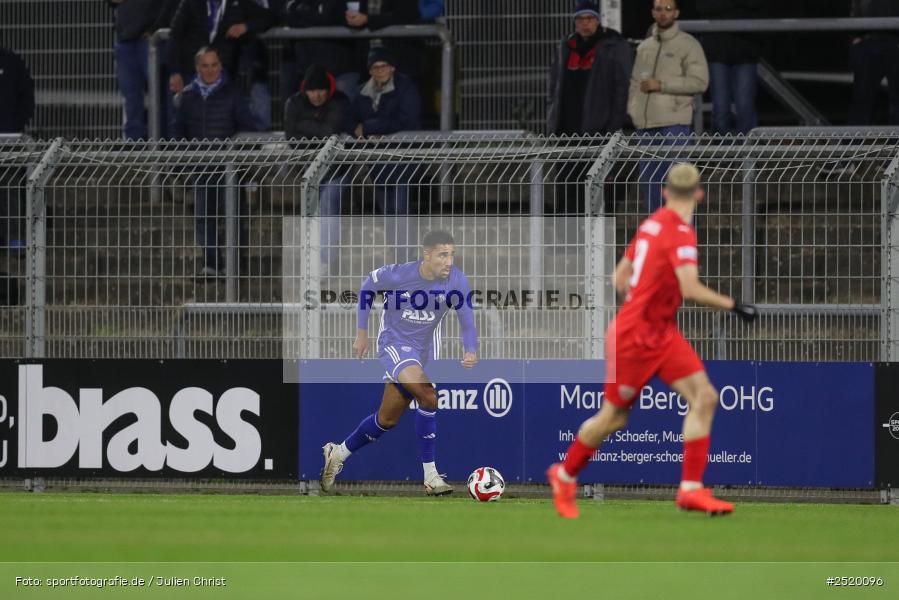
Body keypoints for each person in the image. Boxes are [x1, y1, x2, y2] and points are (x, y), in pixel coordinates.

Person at [546, 163, 758, 519]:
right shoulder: (680, 232)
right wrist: (735, 306)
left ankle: (690, 490)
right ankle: (565, 475)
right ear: (699, 194)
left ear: (664, 192)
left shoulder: (651, 223)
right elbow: (689, 288)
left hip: (660, 331)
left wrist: (647, 298)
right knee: (614, 418)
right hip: (635, 336)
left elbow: (619, 278)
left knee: (704, 397)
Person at [320, 230, 478, 496]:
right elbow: (368, 286)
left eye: (451, 255)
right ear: (427, 255)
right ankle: (431, 476)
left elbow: (467, 319)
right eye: (442, 255)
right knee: (428, 396)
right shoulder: (399, 274)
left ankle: (338, 453)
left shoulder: (456, 280)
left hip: (425, 352)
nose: (449, 261)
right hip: (394, 343)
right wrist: (362, 332)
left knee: (387, 419)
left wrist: (470, 349)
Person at [171, 47, 259, 277]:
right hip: (201, 167)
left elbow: (248, 129)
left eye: (214, 65)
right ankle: (211, 265)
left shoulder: (234, 94)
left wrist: (242, 161)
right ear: (197, 68)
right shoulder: (187, 96)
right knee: (204, 217)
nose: (210, 70)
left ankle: (234, 266)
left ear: (220, 66)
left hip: (230, 168)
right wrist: (183, 165)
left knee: (234, 217)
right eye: (205, 66)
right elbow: (178, 132)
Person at [628, 1, 708, 212]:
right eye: (659, 9)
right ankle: (659, 241)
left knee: (679, 187)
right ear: (653, 12)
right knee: (650, 186)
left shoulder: (688, 44)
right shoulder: (645, 47)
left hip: (674, 125)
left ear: (676, 12)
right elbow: (635, 83)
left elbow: (700, 81)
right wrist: (634, 113)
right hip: (646, 127)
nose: (663, 13)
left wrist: (662, 85)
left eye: (668, 9)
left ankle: (683, 239)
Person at [349, 46, 421, 263]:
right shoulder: (362, 91)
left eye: (384, 66)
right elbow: (350, 118)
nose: (379, 71)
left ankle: (405, 254)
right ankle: (396, 252)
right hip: (377, 159)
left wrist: (369, 127)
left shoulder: (405, 87)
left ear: (392, 67)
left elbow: (407, 118)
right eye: (375, 67)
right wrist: (357, 128)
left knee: (400, 207)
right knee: (387, 210)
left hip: (401, 157)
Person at [284, 64, 351, 273]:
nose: (317, 96)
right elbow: (291, 138)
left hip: (336, 169)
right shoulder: (294, 102)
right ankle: (311, 260)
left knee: (328, 209)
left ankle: (326, 262)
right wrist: (318, 131)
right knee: (311, 213)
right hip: (309, 168)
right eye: (312, 91)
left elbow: (331, 132)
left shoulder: (340, 101)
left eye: (321, 90)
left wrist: (303, 125)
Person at [547, 0, 633, 136]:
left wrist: (612, 126)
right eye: (580, 19)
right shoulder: (566, 47)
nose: (585, 23)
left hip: (599, 129)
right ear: (575, 22)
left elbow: (621, 89)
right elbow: (554, 85)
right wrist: (552, 118)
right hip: (566, 127)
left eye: (589, 18)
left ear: (597, 20)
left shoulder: (612, 46)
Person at [107, 0, 179, 140]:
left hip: (150, 41)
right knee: (131, 99)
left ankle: (163, 145)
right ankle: (135, 147)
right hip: (125, 40)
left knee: (160, 97)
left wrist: (156, 29)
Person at [696, 0, 764, 134]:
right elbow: (702, 7)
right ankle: (722, 153)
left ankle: (748, 152)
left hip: (746, 51)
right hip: (718, 52)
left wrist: (723, 6)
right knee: (721, 109)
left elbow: (758, 4)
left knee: (745, 107)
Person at [282, 0, 362, 102]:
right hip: (309, 70)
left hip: (341, 68)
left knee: (343, 103)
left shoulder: (338, 3)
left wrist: (306, 18)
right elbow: (290, 19)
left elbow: (332, 18)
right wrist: (316, 20)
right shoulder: (295, 4)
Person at [0, 45, 34, 251]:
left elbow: (26, 96)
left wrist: (16, 127)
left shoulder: (11, 61)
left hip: (8, 139)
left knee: (10, 187)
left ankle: (14, 239)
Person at [848, 0, 899, 125]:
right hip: (867, 40)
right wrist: (856, 38)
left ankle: (896, 142)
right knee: (861, 100)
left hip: (894, 40)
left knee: (897, 100)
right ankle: (854, 143)